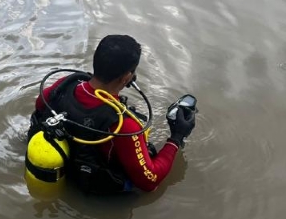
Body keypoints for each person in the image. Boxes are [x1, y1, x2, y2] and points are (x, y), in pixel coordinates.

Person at [28, 35, 196, 194]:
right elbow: (149, 181)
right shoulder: (124, 125)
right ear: (126, 77)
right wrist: (176, 138)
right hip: (93, 188)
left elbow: (39, 107)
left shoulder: (64, 85)